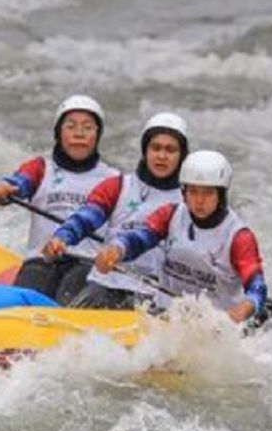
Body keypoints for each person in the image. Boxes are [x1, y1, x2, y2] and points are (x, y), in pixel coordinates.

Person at [95, 150, 267, 324]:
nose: (199, 201)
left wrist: (242, 310)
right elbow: (138, 239)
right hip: (166, 315)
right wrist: (116, 250)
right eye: (193, 192)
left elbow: (256, 287)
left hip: (216, 324)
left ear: (221, 195)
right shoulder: (169, 215)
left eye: (208, 193)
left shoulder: (239, 237)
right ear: (184, 192)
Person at [41, 112, 189, 309]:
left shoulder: (190, 201)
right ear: (145, 150)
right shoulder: (117, 186)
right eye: (156, 148)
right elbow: (85, 219)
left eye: (170, 150)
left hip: (157, 294)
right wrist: (62, 238)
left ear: (181, 156)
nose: (162, 156)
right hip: (107, 284)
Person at [0, 95, 118, 304]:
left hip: (86, 264)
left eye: (88, 127)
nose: (79, 134)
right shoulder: (40, 168)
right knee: (28, 293)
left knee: (74, 296)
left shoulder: (113, 178)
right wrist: (4, 190)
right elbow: (20, 182)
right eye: (71, 126)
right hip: (41, 261)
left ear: (97, 135)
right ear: (59, 133)